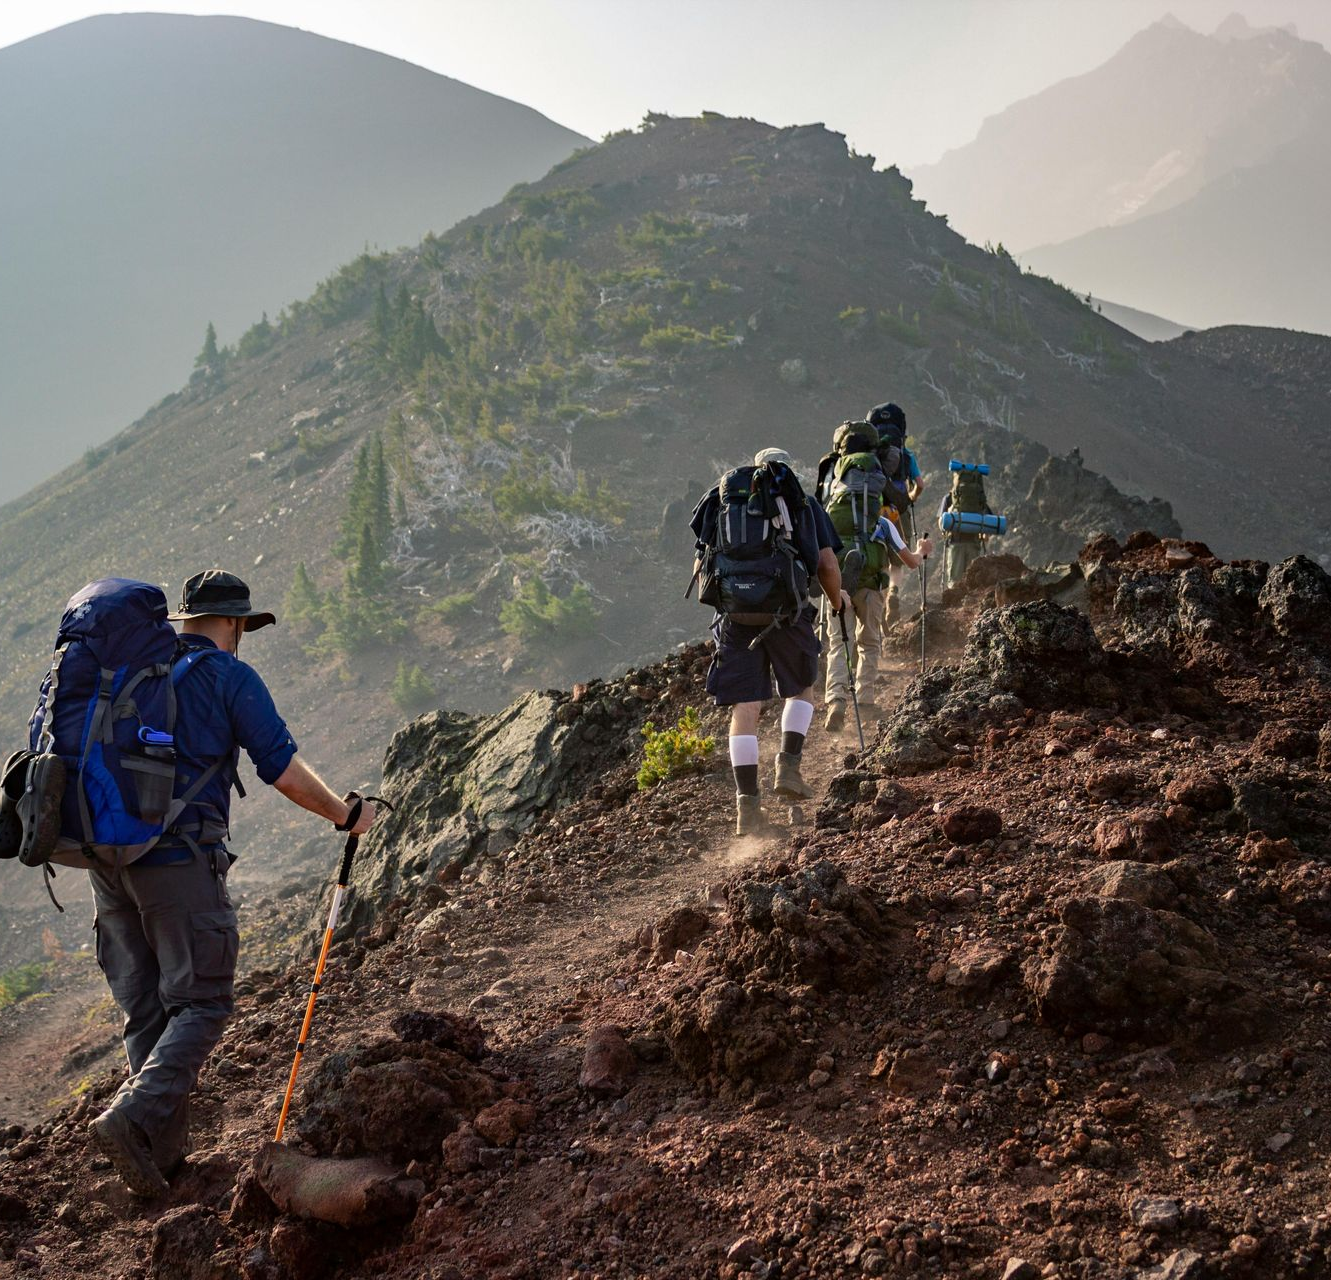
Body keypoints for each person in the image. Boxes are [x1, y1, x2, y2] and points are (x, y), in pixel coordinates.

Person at [87, 570, 378, 1197]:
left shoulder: (132, 674)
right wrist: (346, 814)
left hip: (107, 865)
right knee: (204, 1003)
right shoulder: (228, 677)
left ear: (184, 619)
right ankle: (131, 1120)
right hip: (179, 863)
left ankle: (158, 1167)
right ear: (238, 623)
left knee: (149, 1011)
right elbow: (281, 767)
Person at [691, 451, 850, 835]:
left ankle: (748, 809)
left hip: (736, 619)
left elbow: (702, 567)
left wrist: (732, 603)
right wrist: (836, 600)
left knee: (744, 709)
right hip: (787, 615)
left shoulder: (721, 501)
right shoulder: (802, 502)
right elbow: (827, 566)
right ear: (786, 472)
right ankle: (788, 768)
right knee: (800, 691)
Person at [824, 508, 932, 730]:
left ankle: (836, 700)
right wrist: (921, 551)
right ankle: (865, 700)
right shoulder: (882, 524)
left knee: (838, 643)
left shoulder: (832, 515)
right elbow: (910, 562)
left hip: (838, 589)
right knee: (870, 642)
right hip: (871, 591)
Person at [938, 465, 994, 588]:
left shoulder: (950, 497)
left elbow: (941, 521)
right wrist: (985, 535)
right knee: (973, 581)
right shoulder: (979, 498)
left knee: (955, 581)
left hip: (955, 542)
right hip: (974, 542)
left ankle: (954, 604)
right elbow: (988, 518)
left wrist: (944, 532)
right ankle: (970, 604)